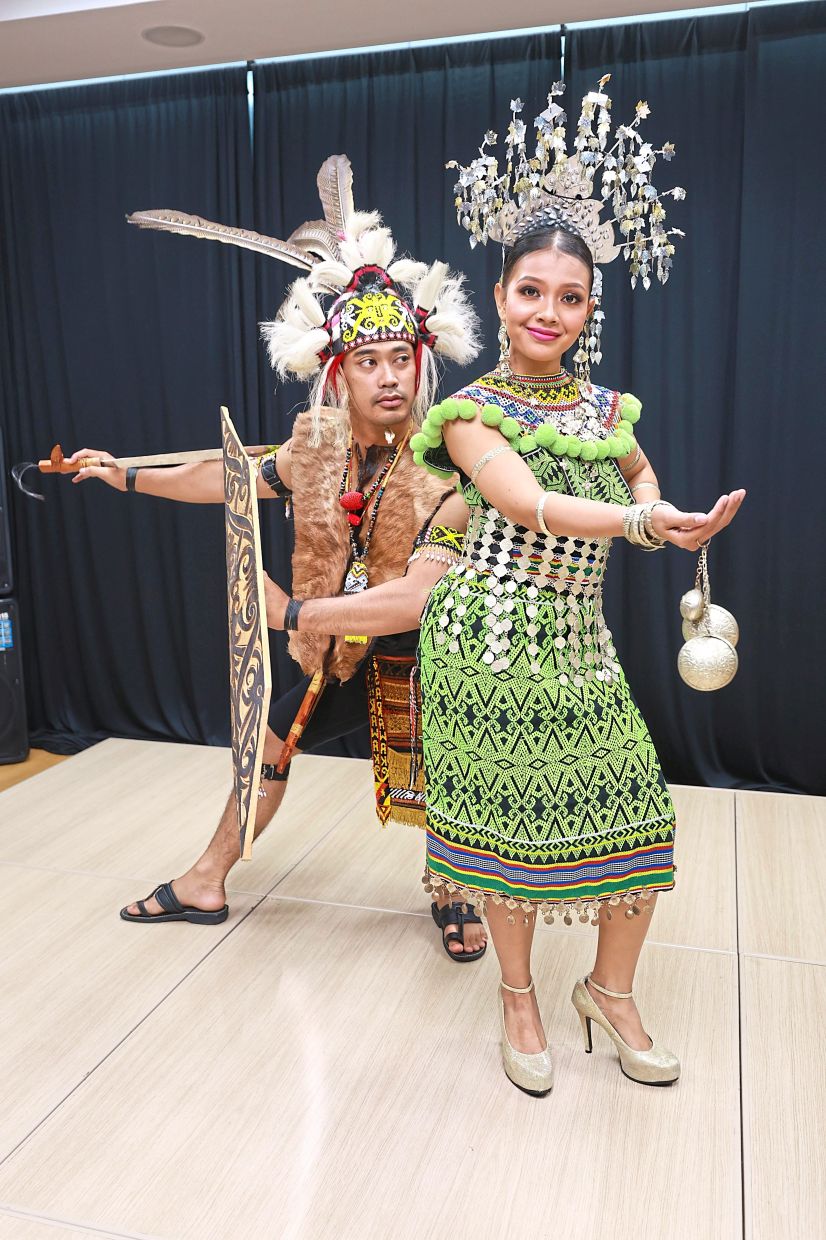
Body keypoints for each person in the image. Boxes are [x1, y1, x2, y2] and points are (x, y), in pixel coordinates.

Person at [262, 85, 746, 1094]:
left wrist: (662, 512)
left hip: (577, 643)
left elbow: (634, 468)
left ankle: (607, 996)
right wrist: (642, 522)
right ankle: (518, 997)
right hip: (484, 640)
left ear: (588, 310)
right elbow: (524, 502)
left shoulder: (608, 403)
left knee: (639, 817)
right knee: (513, 833)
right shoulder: (471, 412)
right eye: (532, 292)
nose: (549, 313)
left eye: (570, 299)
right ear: (502, 294)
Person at [68, 155, 489, 960]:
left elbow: (420, 599)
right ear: (341, 372)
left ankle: (455, 892)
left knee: (446, 765)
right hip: (333, 645)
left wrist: (291, 610)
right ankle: (207, 876)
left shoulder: (449, 457)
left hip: (426, 642)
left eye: (402, 358)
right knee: (272, 741)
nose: (390, 376)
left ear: (422, 363)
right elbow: (226, 480)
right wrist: (125, 474)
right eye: (371, 361)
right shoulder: (314, 448)